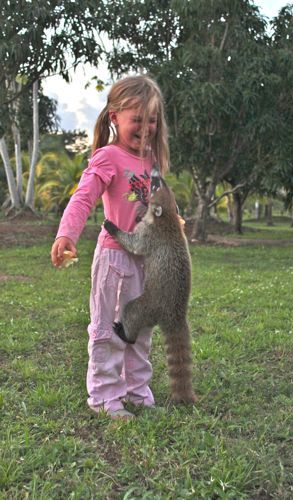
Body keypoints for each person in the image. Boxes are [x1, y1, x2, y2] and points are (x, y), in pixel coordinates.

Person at [51, 75, 169, 419]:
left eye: (152, 119)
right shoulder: (108, 157)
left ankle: (135, 390)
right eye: (138, 119)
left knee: (140, 330)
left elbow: (157, 205)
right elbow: (83, 198)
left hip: (147, 261)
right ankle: (104, 395)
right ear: (115, 117)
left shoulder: (151, 161)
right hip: (115, 260)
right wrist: (67, 234)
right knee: (109, 330)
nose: (146, 127)